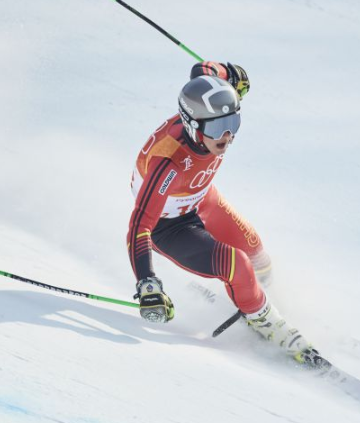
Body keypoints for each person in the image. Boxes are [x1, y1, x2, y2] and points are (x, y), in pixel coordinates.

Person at [126, 61, 321, 365]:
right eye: (218, 128)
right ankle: (264, 320)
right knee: (238, 264)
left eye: (234, 124)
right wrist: (147, 284)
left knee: (257, 252)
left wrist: (231, 73)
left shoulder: (208, 116)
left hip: (201, 199)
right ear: (192, 124)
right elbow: (140, 225)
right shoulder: (169, 164)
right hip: (170, 227)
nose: (227, 137)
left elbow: (202, 70)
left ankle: (257, 301)